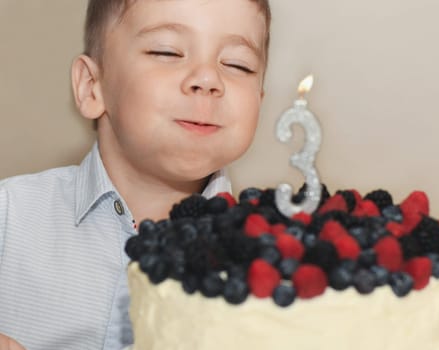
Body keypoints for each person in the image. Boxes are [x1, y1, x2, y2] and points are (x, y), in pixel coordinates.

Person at [0, 0, 271, 349]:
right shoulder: (9, 219)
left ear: (260, 101)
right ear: (92, 87)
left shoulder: (276, 262)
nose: (208, 78)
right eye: (168, 52)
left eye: (238, 64)